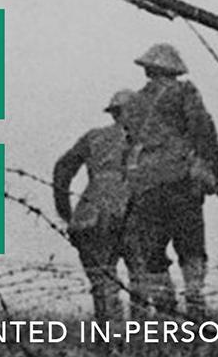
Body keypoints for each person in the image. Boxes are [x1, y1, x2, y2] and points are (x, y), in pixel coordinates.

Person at [120, 43, 218, 317]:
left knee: (154, 253)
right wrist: (213, 173)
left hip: (145, 186)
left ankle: (166, 312)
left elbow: (129, 144)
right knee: (191, 247)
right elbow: (203, 132)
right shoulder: (184, 92)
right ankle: (196, 306)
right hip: (180, 182)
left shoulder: (132, 104)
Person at [53, 89, 134, 322]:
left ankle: (110, 343)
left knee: (102, 284)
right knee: (141, 281)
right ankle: (143, 345)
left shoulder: (93, 137)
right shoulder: (144, 139)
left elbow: (62, 169)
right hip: (130, 213)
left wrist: (66, 213)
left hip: (90, 215)